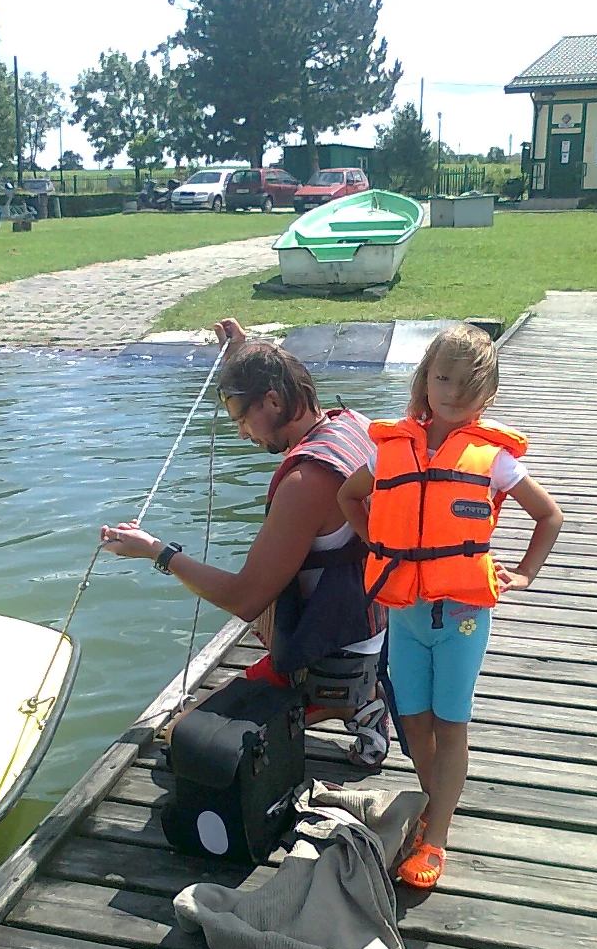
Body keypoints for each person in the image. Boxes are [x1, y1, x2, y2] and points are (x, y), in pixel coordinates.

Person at [101, 318, 393, 765]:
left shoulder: (305, 482)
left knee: (180, 737)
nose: (241, 433)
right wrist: (242, 353)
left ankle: (350, 701)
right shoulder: (352, 424)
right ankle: (358, 694)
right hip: (371, 624)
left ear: (273, 401)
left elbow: (245, 598)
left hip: (332, 652)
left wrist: (158, 552)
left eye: (242, 419)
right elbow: (277, 372)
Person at [338, 324, 563, 890]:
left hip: (462, 617)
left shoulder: (494, 460)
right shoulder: (392, 452)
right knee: (413, 720)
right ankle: (437, 801)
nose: (454, 393)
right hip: (406, 614)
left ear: (488, 393)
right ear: (425, 380)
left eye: (468, 384)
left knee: (450, 722)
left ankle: (435, 835)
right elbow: (348, 495)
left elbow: (549, 516)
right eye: (443, 378)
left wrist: (525, 573)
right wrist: (380, 544)